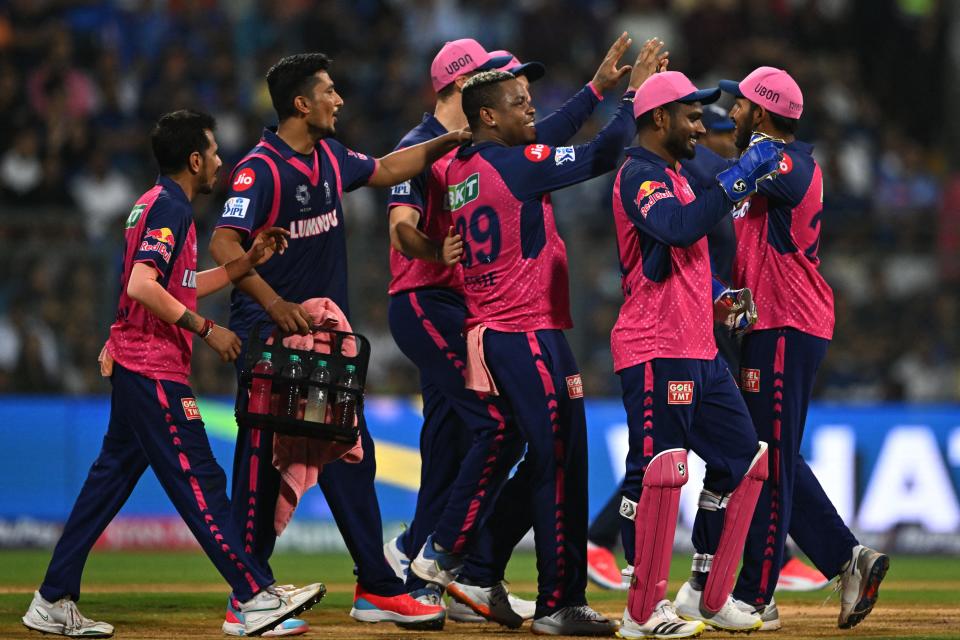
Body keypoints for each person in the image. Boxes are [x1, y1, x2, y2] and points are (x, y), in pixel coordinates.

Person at [21, 110, 323, 639]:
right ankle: (253, 596)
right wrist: (208, 330)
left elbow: (169, 284)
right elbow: (142, 285)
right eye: (213, 152)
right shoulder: (171, 207)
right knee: (200, 479)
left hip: (137, 362)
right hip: (154, 369)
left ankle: (52, 599)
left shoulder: (152, 202)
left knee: (107, 485)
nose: (220, 162)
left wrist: (242, 263)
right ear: (194, 159)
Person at [383, 35, 646, 626]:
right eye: (519, 99)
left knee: (545, 454)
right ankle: (474, 567)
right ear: (486, 114)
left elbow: (541, 137)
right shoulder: (511, 165)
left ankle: (467, 562)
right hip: (525, 331)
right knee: (555, 458)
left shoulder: (458, 163)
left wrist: (596, 90)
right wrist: (629, 98)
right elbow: (602, 154)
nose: (531, 107)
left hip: (507, 329)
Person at [208, 53, 468, 633]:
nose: (340, 100)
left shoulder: (329, 157)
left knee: (352, 454)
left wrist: (450, 140)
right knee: (260, 464)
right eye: (330, 91)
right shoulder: (260, 169)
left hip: (323, 342)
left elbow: (384, 169)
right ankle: (246, 595)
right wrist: (275, 303)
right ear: (302, 104)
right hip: (270, 337)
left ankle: (376, 587)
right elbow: (224, 243)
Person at [678, 66, 889, 631]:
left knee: (767, 459)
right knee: (772, 453)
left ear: (763, 114)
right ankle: (848, 560)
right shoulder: (774, 164)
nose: (733, 114)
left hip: (787, 326)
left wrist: (658, 138)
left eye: (741, 105)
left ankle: (754, 595)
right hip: (773, 325)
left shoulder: (786, 164)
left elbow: (713, 174)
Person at [607, 71, 785, 638]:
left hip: (699, 348)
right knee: (659, 473)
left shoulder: (679, 176)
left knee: (743, 460)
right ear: (659, 119)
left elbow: (677, 261)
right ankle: (642, 610)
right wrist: (736, 180)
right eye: (690, 115)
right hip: (655, 348)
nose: (701, 125)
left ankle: (709, 592)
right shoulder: (639, 175)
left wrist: (717, 298)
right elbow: (677, 230)